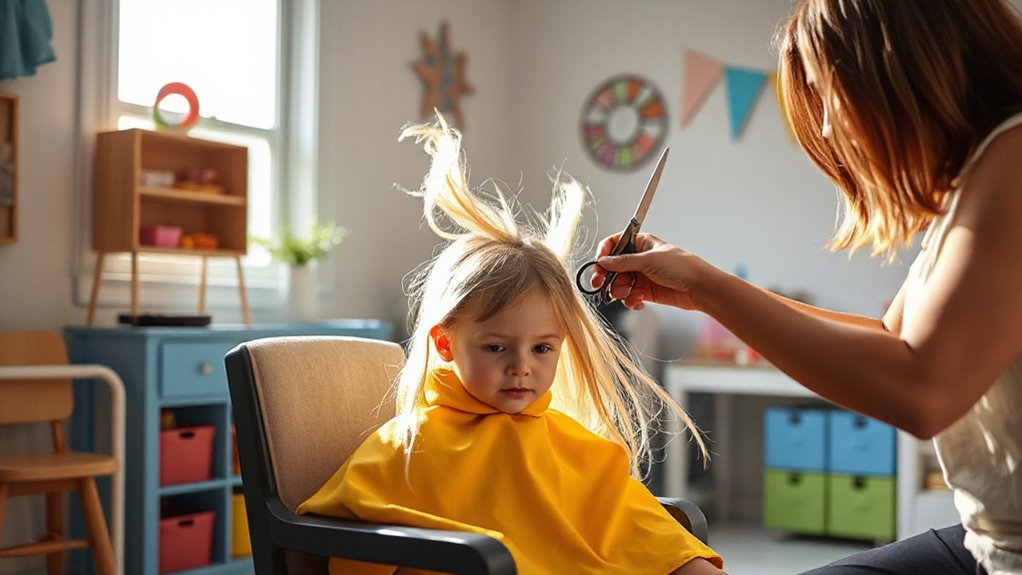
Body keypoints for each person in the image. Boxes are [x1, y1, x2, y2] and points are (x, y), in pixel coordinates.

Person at [588, 1, 1022, 574]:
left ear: (896, 65)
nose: (821, 127)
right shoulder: (980, 175)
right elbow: (890, 337)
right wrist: (699, 286)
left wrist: (710, 288)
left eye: (827, 91)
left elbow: (923, 390)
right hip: (990, 538)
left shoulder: (1013, 159)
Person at [297, 113, 725, 575]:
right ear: (445, 342)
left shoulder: (575, 449)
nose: (522, 367)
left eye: (542, 349)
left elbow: (638, 534)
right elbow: (352, 545)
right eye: (497, 348)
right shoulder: (411, 447)